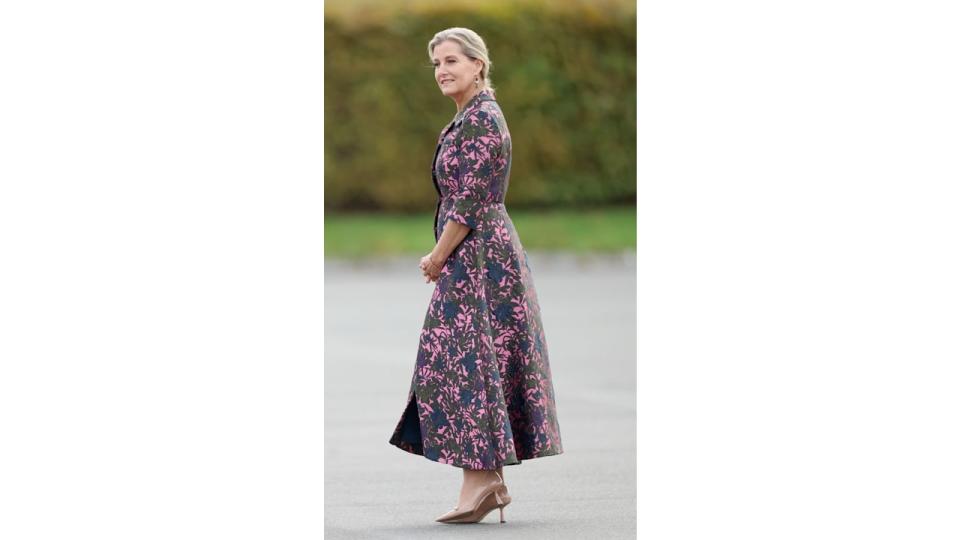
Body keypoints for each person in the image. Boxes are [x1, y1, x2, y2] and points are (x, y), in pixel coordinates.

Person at [388, 27, 563, 525]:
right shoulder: (468, 116)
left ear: (478, 65)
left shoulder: (483, 119)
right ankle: (481, 481)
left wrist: (438, 256)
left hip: (480, 261)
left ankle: (482, 481)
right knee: (468, 365)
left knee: (467, 364)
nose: (442, 70)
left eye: (452, 61)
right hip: (474, 258)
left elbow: (469, 201)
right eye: (437, 63)